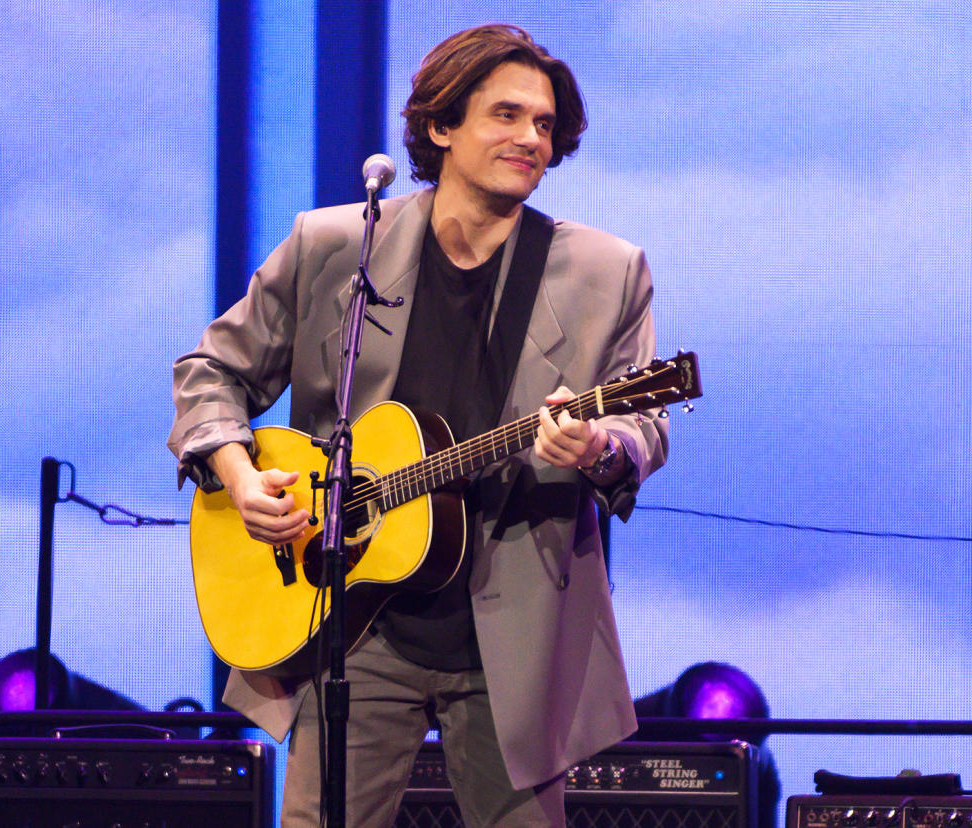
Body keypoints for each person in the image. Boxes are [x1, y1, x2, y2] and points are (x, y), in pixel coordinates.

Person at [169, 24, 668, 827]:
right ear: (441, 127)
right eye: (506, 116)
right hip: (350, 622)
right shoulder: (335, 246)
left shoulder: (606, 272)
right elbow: (210, 374)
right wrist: (236, 474)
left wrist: (602, 445)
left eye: (544, 124)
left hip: (516, 632)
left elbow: (642, 423)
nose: (530, 139)